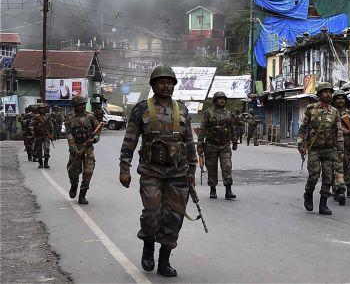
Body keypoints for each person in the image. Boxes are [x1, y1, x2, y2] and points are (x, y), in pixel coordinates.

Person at [118, 65, 197, 277]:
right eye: (161, 82)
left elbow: (189, 142)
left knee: (174, 218)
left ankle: (164, 261)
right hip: (151, 171)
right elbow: (130, 139)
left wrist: (192, 169)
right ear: (153, 85)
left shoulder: (182, 110)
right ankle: (148, 243)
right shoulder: (141, 109)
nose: (166, 85)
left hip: (178, 173)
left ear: (173, 85)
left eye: (169, 82)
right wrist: (124, 167)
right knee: (152, 212)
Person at [297, 82, 344, 215]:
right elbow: (303, 127)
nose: (328, 94)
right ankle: (308, 194)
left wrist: (340, 150)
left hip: (329, 149)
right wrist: (301, 143)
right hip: (314, 149)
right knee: (314, 175)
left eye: (330, 92)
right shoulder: (311, 108)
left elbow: (339, 132)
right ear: (319, 94)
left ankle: (323, 204)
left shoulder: (334, 112)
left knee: (328, 178)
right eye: (325, 91)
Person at [198, 92, 237, 200]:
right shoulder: (208, 113)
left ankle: (228, 190)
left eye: (224, 99)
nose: (222, 101)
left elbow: (232, 128)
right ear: (215, 101)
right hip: (211, 145)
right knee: (212, 168)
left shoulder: (228, 114)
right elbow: (203, 128)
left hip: (225, 145)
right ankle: (213, 190)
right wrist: (200, 143)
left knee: (227, 167)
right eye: (219, 99)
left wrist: (234, 141)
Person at [66, 96, 100, 204]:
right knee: (73, 172)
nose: (83, 106)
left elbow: (98, 131)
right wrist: (75, 149)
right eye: (81, 104)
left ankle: (82, 195)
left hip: (88, 148)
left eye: (84, 104)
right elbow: (69, 134)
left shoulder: (90, 117)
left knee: (88, 172)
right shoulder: (69, 118)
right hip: (75, 148)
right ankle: (74, 185)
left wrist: (94, 139)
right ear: (75, 106)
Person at [333, 90, 350, 198]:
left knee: (347, 165)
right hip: (333, 144)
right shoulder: (331, 112)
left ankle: (349, 186)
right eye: (338, 98)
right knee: (336, 167)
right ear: (334, 100)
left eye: (342, 98)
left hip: (347, 144)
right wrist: (341, 130)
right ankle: (336, 189)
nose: (340, 100)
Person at [30, 103, 53, 169]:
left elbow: (51, 125)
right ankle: (40, 163)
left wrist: (51, 135)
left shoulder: (48, 116)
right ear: (38, 109)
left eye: (43, 109)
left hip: (46, 135)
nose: (42, 110)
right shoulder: (35, 117)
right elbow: (31, 125)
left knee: (46, 148)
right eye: (40, 109)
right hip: (38, 136)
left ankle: (46, 163)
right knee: (38, 150)